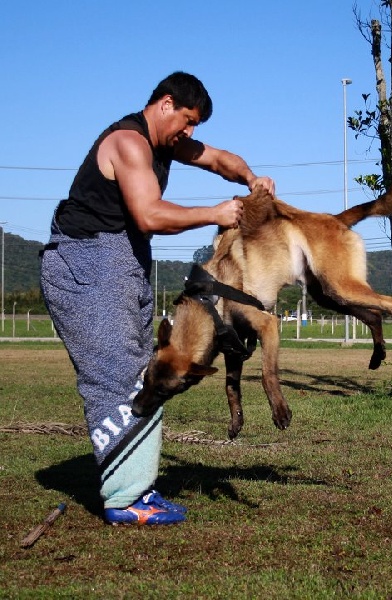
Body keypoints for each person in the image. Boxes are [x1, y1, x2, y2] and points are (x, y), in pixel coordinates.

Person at [40, 71, 275, 526]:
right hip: (84, 262)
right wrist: (216, 213)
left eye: (195, 127)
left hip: (120, 264)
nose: (189, 134)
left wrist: (251, 179)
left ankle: (137, 487)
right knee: (117, 376)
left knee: (139, 370)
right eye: (187, 121)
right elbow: (148, 215)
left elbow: (219, 159)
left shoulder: (166, 142)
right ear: (165, 103)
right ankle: (126, 499)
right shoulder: (129, 142)